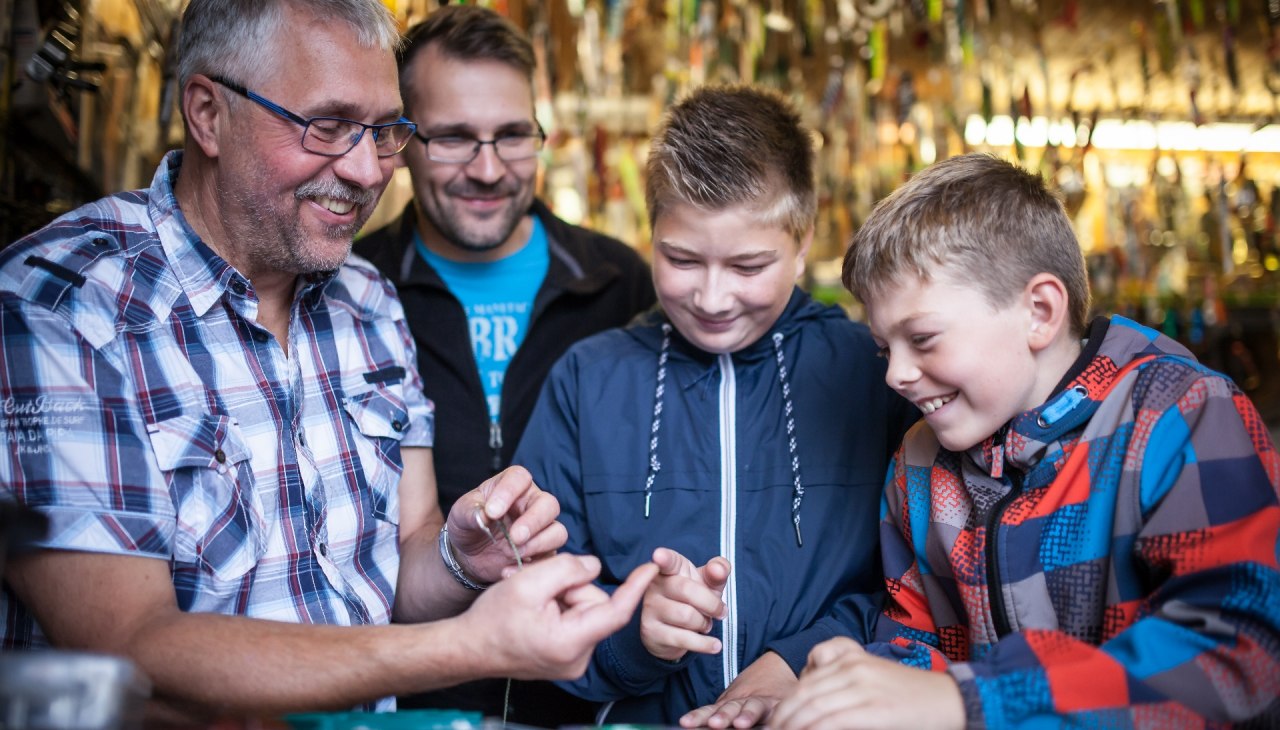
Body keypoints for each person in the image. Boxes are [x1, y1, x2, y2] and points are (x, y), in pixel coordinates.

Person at [0, 0, 655, 722]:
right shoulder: (62, 302)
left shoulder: (367, 298)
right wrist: (471, 646)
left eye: (385, 131)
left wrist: (462, 559)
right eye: (330, 127)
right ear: (208, 114)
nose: (368, 169)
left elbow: (407, 555)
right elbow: (126, 646)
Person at [771, 153, 1280, 729]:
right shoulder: (917, 466)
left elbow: (1238, 648)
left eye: (922, 337)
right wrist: (867, 678)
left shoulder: (1180, 415)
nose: (894, 375)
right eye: (886, 348)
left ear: (1039, 311)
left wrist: (971, 701)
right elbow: (912, 635)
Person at [513, 84, 918, 727]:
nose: (712, 296)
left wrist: (797, 661)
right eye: (680, 259)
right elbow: (536, 596)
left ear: (803, 240)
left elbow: (923, 582)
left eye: (748, 265)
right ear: (651, 234)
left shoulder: (875, 372)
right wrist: (635, 637)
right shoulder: (589, 380)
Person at [352, 6, 655, 723]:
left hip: (595, 691)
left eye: (513, 135)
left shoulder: (623, 284)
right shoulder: (351, 293)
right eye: (454, 137)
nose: (488, 169)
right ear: (403, 141)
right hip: (415, 698)